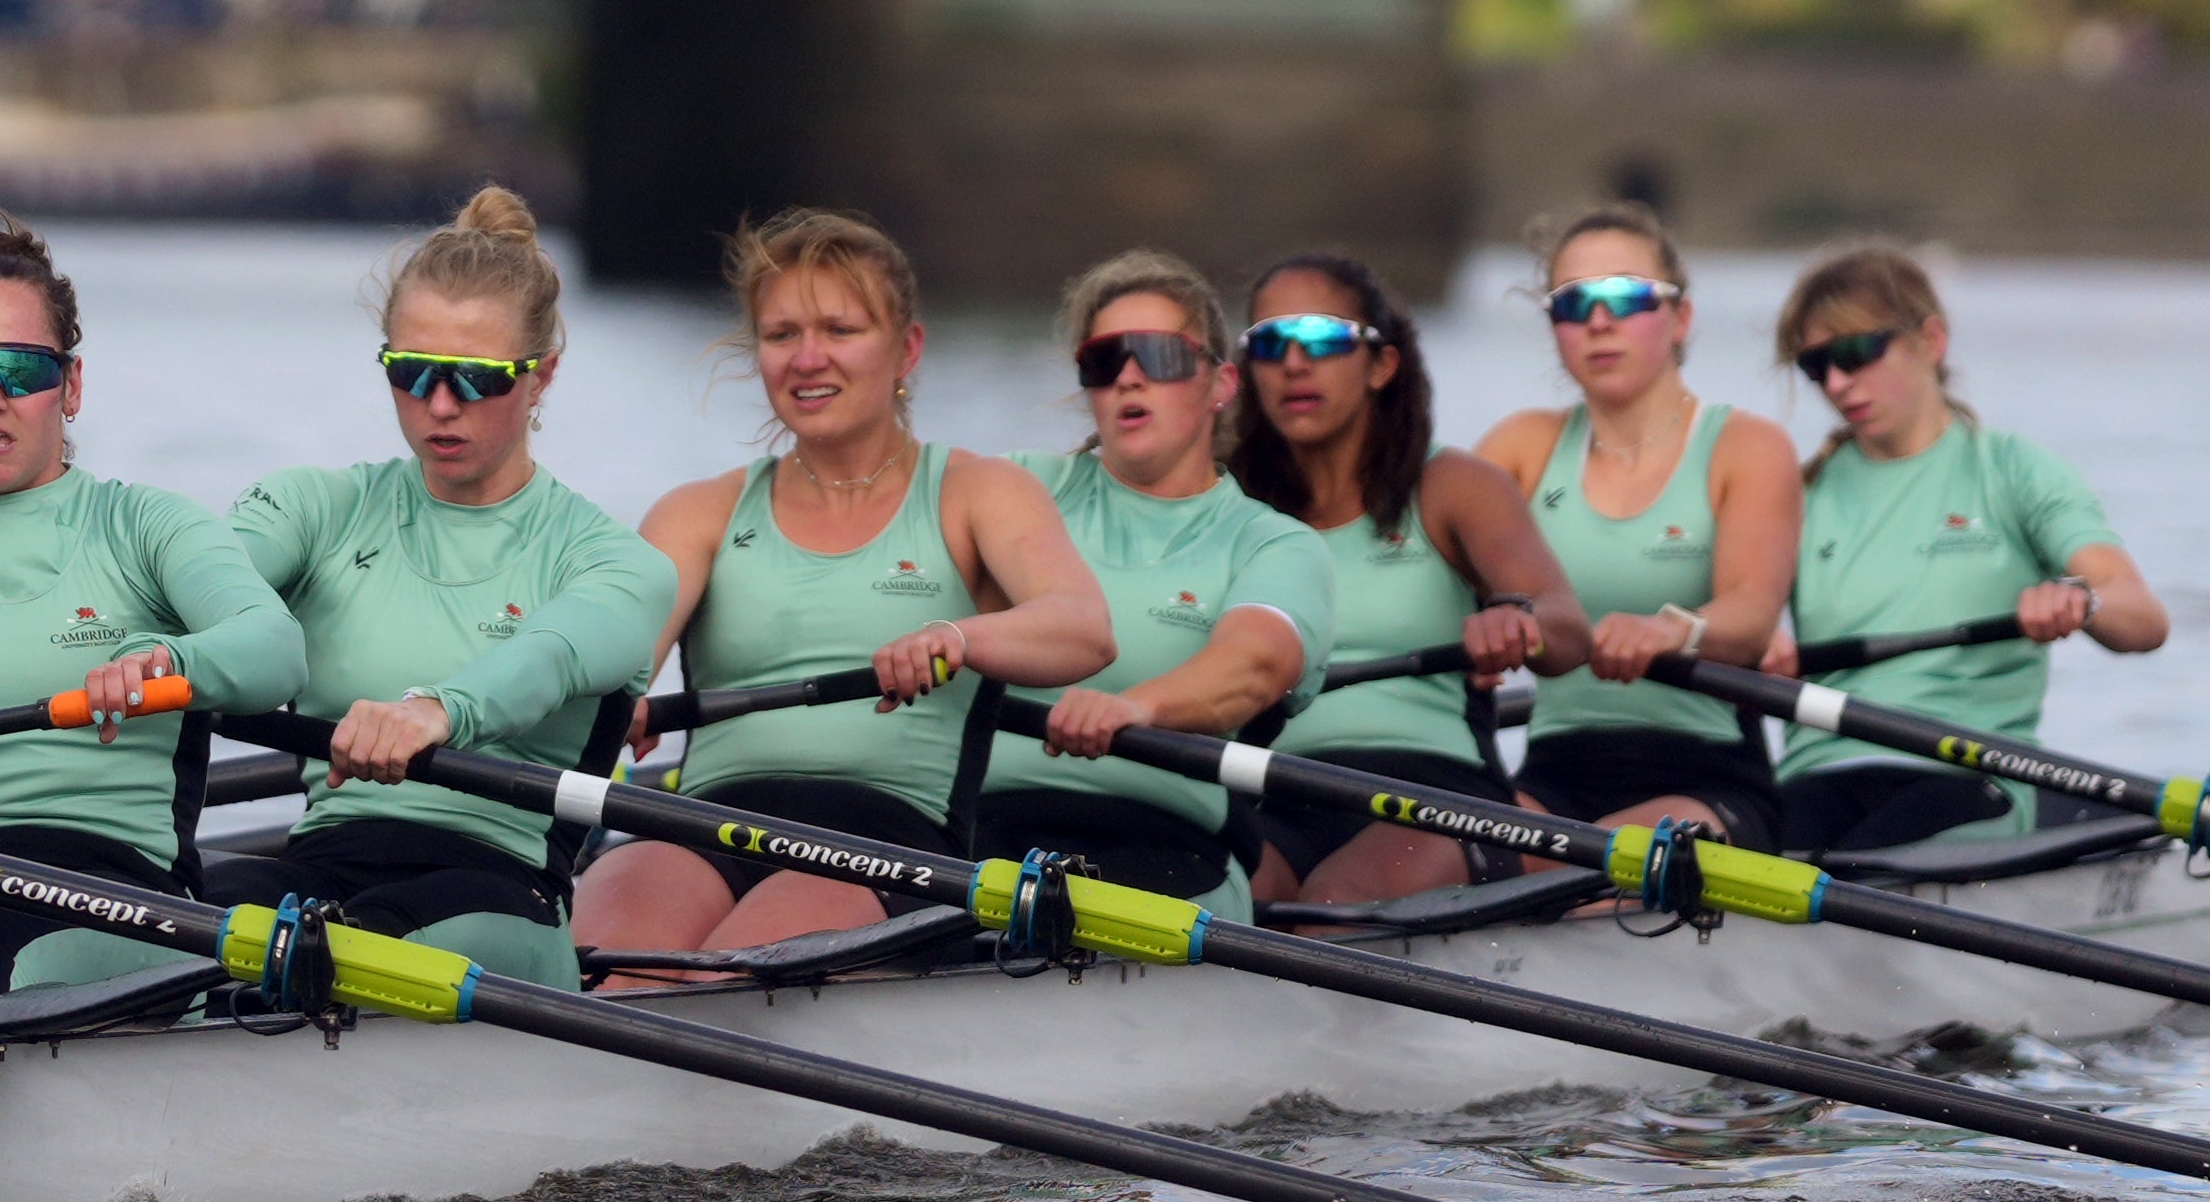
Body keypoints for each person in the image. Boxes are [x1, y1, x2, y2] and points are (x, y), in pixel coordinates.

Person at [579, 204, 1113, 968]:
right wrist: (610, 700)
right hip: (702, 824)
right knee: (614, 969)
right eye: (782, 335)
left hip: (888, 844)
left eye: (840, 330)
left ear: (907, 349)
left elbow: (1084, 627)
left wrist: (957, 638)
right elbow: (611, 652)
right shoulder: (699, 511)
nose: (807, 359)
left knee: (701, 985)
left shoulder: (979, 493)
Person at [0, 216, 310, 1013]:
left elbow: (276, 649)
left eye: (19, 366)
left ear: (70, 386)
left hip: (122, 884)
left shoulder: (147, 525)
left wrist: (170, 663)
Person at [218, 179, 684, 987]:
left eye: (478, 378)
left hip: (498, 890)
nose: (439, 405)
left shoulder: (616, 563)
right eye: (411, 372)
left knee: (324, 954)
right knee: (160, 916)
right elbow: (206, 583)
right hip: (321, 865)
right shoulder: (314, 507)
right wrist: (160, 646)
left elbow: (546, 655)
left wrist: (437, 710)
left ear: (542, 376)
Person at [1216, 249, 1594, 906]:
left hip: (1438, 798)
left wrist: (1518, 622)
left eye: (1324, 339)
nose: (1294, 363)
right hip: (1273, 793)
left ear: (1382, 365)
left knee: (1338, 900)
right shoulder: (1228, 506)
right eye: (1271, 342)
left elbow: (1567, 630)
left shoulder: (1453, 486)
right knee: (1215, 891)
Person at [1768, 240, 2161, 862]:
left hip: (1969, 774)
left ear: (1931, 340)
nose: (1838, 383)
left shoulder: (2012, 470)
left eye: (1855, 352)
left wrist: (2081, 603)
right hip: (1818, 775)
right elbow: (1729, 617)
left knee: (1856, 869)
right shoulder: (1795, 494)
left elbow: (2142, 617)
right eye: (1817, 366)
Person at [982, 245, 1331, 892]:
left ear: (1221, 386)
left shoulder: (1274, 543)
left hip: (1167, 851)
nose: (1130, 379)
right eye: (1105, 361)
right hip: (977, 840)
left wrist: (1133, 709)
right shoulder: (1015, 488)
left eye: (1161, 355)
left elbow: (1253, 666)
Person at [1461, 203, 1798, 847]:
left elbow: (1752, 613)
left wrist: (1668, 629)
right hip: (1553, 773)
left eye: (1625, 296)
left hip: (1706, 777)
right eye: (1571, 302)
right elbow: (1425, 577)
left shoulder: (1746, 448)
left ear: (1681, 318)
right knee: (1457, 868)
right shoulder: (1519, 448)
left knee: (1569, 874)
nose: (1598, 320)